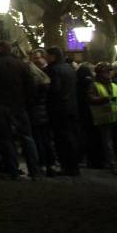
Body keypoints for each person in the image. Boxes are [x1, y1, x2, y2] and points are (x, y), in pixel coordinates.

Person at [0, 41, 41, 179]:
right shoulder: (22, 65)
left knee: (7, 139)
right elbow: (31, 86)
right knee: (27, 137)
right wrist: (27, 102)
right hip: (19, 105)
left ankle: (13, 171)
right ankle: (34, 171)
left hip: (0, 106)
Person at [87, 62, 117, 174]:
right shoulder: (94, 85)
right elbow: (90, 99)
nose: (108, 74)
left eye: (109, 71)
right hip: (105, 119)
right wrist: (104, 99)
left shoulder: (115, 85)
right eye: (106, 72)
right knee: (108, 144)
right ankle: (113, 165)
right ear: (99, 74)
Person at [44, 46, 81, 175]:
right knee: (71, 137)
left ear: (52, 56)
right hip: (71, 107)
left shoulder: (54, 70)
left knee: (62, 139)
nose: (45, 58)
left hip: (59, 109)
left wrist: (45, 88)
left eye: (47, 55)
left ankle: (67, 166)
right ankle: (73, 165)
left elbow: (55, 89)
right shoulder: (69, 68)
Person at [28, 50, 58, 175]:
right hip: (45, 113)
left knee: (39, 139)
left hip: (37, 113)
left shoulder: (35, 79)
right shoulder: (46, 78)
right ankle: (51, 164)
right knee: (46, 139)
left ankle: (43, 164)